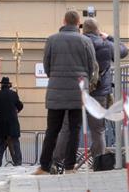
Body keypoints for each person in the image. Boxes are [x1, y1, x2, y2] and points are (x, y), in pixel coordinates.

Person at [33, 10, 97, 175]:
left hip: (56, 92)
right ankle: (69, 167)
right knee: (75, 129)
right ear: (78, 24)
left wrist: (54, 77)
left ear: (63, 21)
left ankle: (44, 167)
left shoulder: (52, 40)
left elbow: (46, 65)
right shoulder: (85, 41)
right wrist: (85, 80)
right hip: (78, 91)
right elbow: (92, 67)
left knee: (52, 130)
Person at [82, 18, 128, 159]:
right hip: (100, 92)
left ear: (83, 30)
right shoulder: (105, 44)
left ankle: (65, 163)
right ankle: (99, 161)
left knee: (72, 127)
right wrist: (109, 37)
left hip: (80, 92)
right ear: (97, 30)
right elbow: (123, 51)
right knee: (98, 130)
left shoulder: (80, 42)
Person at [0, 77, 23, 167]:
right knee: (15, 143)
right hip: (12, 123)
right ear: (9, 85)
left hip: (1, 123)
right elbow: (20, 105)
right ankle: (18, 161)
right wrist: (16, 110)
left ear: (1, 85)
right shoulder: (13, 94)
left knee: (1, 144)